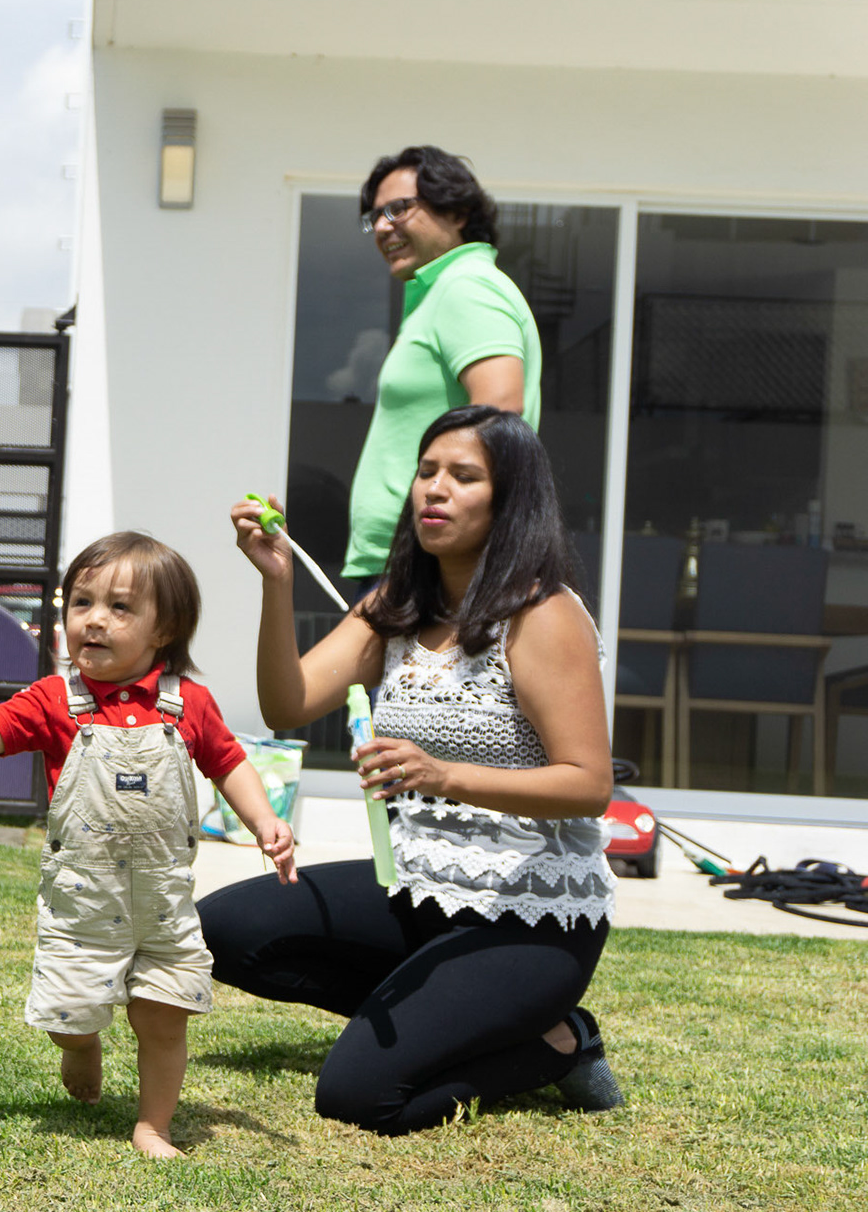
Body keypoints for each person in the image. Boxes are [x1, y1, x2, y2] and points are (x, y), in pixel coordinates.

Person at [206, 406, 621, 1136]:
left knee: (360, 1098)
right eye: (428, 472)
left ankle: (558, 1041)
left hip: (528, 913)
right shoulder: (394, 607)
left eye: (464, 477)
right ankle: (443, 1011)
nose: (435, 489)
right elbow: (288, 703)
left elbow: (587, 784)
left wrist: (443, 774)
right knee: (221, 930)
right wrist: (276, 585)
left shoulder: (543, 616)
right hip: (419, 886)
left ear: (510, 499)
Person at [0, 531, 297, 1158]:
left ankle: (153, 1125)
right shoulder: (54, 701)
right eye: (81, 603)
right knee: (73, 1016)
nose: (94, 621)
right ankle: (82, 1045)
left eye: (119, 608)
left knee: (163, 1015)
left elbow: (228, 763)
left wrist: (264, 822)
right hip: (83, 906)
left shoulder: (186, 704)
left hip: (163, 904)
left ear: (164, 629)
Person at [346, 146, 542, 588]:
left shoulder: (466, 287)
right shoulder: (443, 292)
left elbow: (499, 412)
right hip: (415, 558)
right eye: (374, 216)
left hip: (429, 563)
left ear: (457, 213)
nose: (381, 226)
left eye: (398, 209)